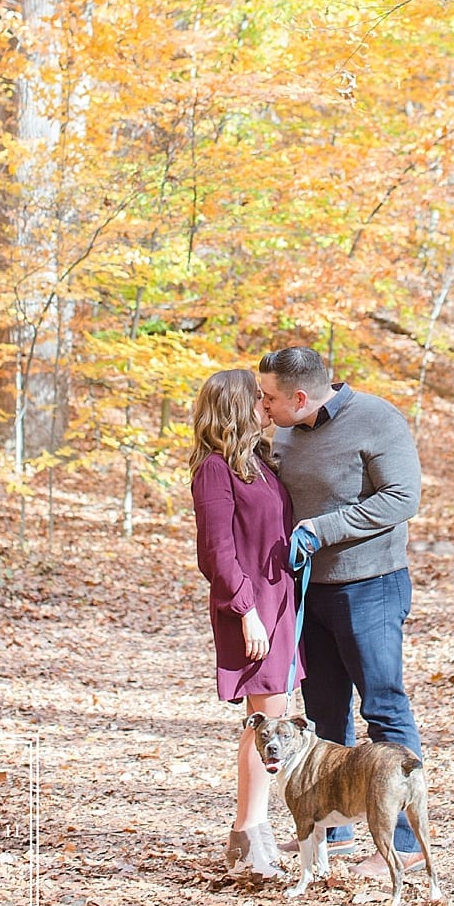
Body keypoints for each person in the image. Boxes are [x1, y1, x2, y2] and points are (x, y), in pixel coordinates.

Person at [258, 345, 427, 879]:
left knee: (383, 707)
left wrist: (323, 530)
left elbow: (403, 497)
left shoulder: (376, 419)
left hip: (371, 586)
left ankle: (402, 844)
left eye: (268, 398)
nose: (262, 407)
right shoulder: (282, 431)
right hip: (309, 593)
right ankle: (331, 828)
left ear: (300, 397)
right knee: (324, 712)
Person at [189, 367, 300, 877]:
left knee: (266, 718)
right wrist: (246, 612)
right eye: (257, 398)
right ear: (235, 406)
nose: (265, 404)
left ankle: (247, 839)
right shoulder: (215, 468)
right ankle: (250, 838)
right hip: (248, 609)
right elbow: (216, 552)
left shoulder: (258, 462)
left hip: (278, 604)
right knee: (268, 723)